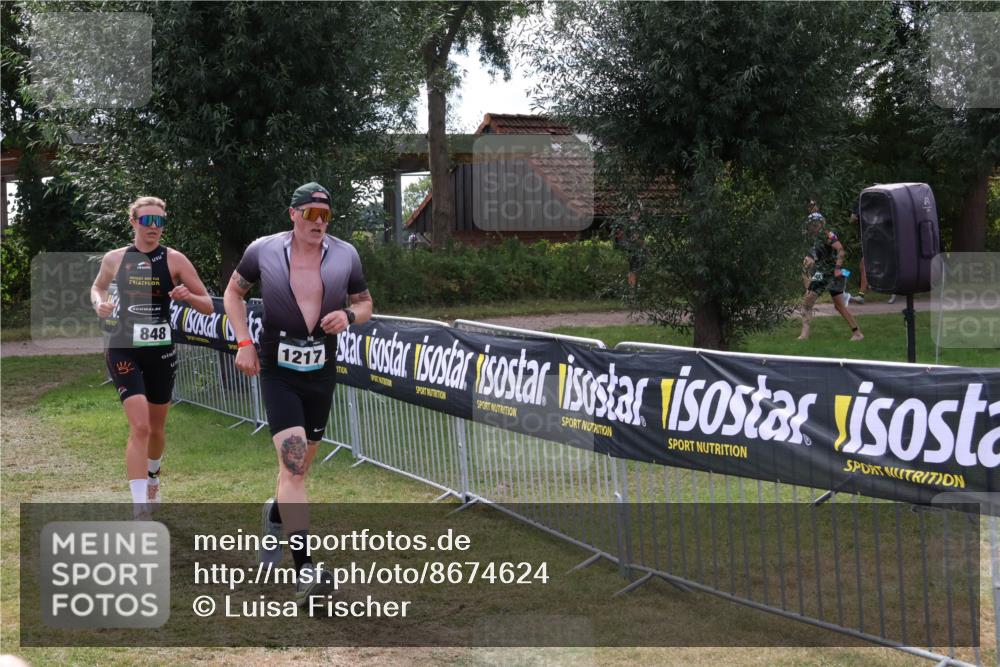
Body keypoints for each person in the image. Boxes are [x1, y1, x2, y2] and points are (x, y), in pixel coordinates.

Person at [224, 181, 373, 606]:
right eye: (311, 214)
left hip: (320, 372)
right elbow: (234, 292)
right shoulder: (263, 250)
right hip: (278, 372)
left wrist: (348, 315)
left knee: (300, 470)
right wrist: (244, 342)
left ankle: (274, 515)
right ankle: (305, 570)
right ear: (293, 214)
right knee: (293, 469)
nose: (319, 223)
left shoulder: (345, 254)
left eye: (326, 215)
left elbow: (365, 303)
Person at [91, 196, 214, 518]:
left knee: (157, 429)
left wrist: (188, 296)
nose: (154, 228)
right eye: (147, 221)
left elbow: (208, 305)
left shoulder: (174, 260)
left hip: (160, 352)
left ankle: (154, 475)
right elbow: (98, 288)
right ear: (133, 222)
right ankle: (139, 507)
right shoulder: (115, 259)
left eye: (160, 222)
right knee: (141, 426)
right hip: (122, 348)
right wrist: (99, 304)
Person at [798, 205, 863, 342]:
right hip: (825, 273)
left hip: (830, 273)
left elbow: (841, 250)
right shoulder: (814, 239)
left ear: (822, 224)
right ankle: (857, 333)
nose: (813, 227)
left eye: (816, 224)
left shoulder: (828, 235)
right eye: (811, 225)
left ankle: (804, 335)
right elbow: (808, 263)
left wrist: (837, 269)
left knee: (807, 303)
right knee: (838, 305)